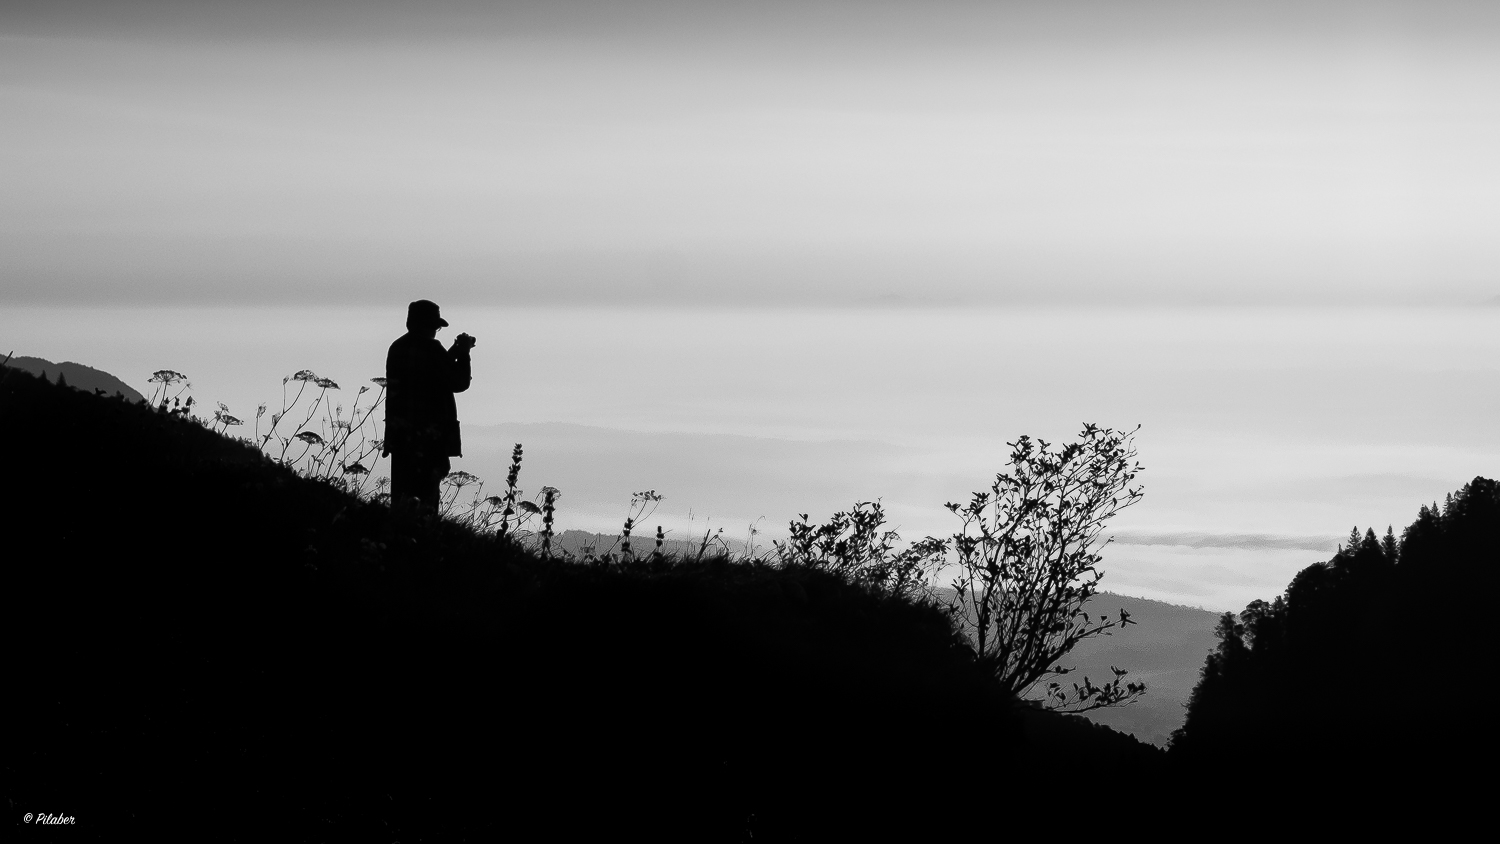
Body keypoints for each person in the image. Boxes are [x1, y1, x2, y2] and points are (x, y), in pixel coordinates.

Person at [382, 300, 474, 510]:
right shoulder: (432, 348)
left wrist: (452, 352)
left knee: (402, 496)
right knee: (426, 498)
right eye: (436, 327)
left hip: (400, 435)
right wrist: (465, 354)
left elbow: (428, 374)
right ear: (430, 325)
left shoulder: (397, 348)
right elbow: (457, 382)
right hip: (429, 437)